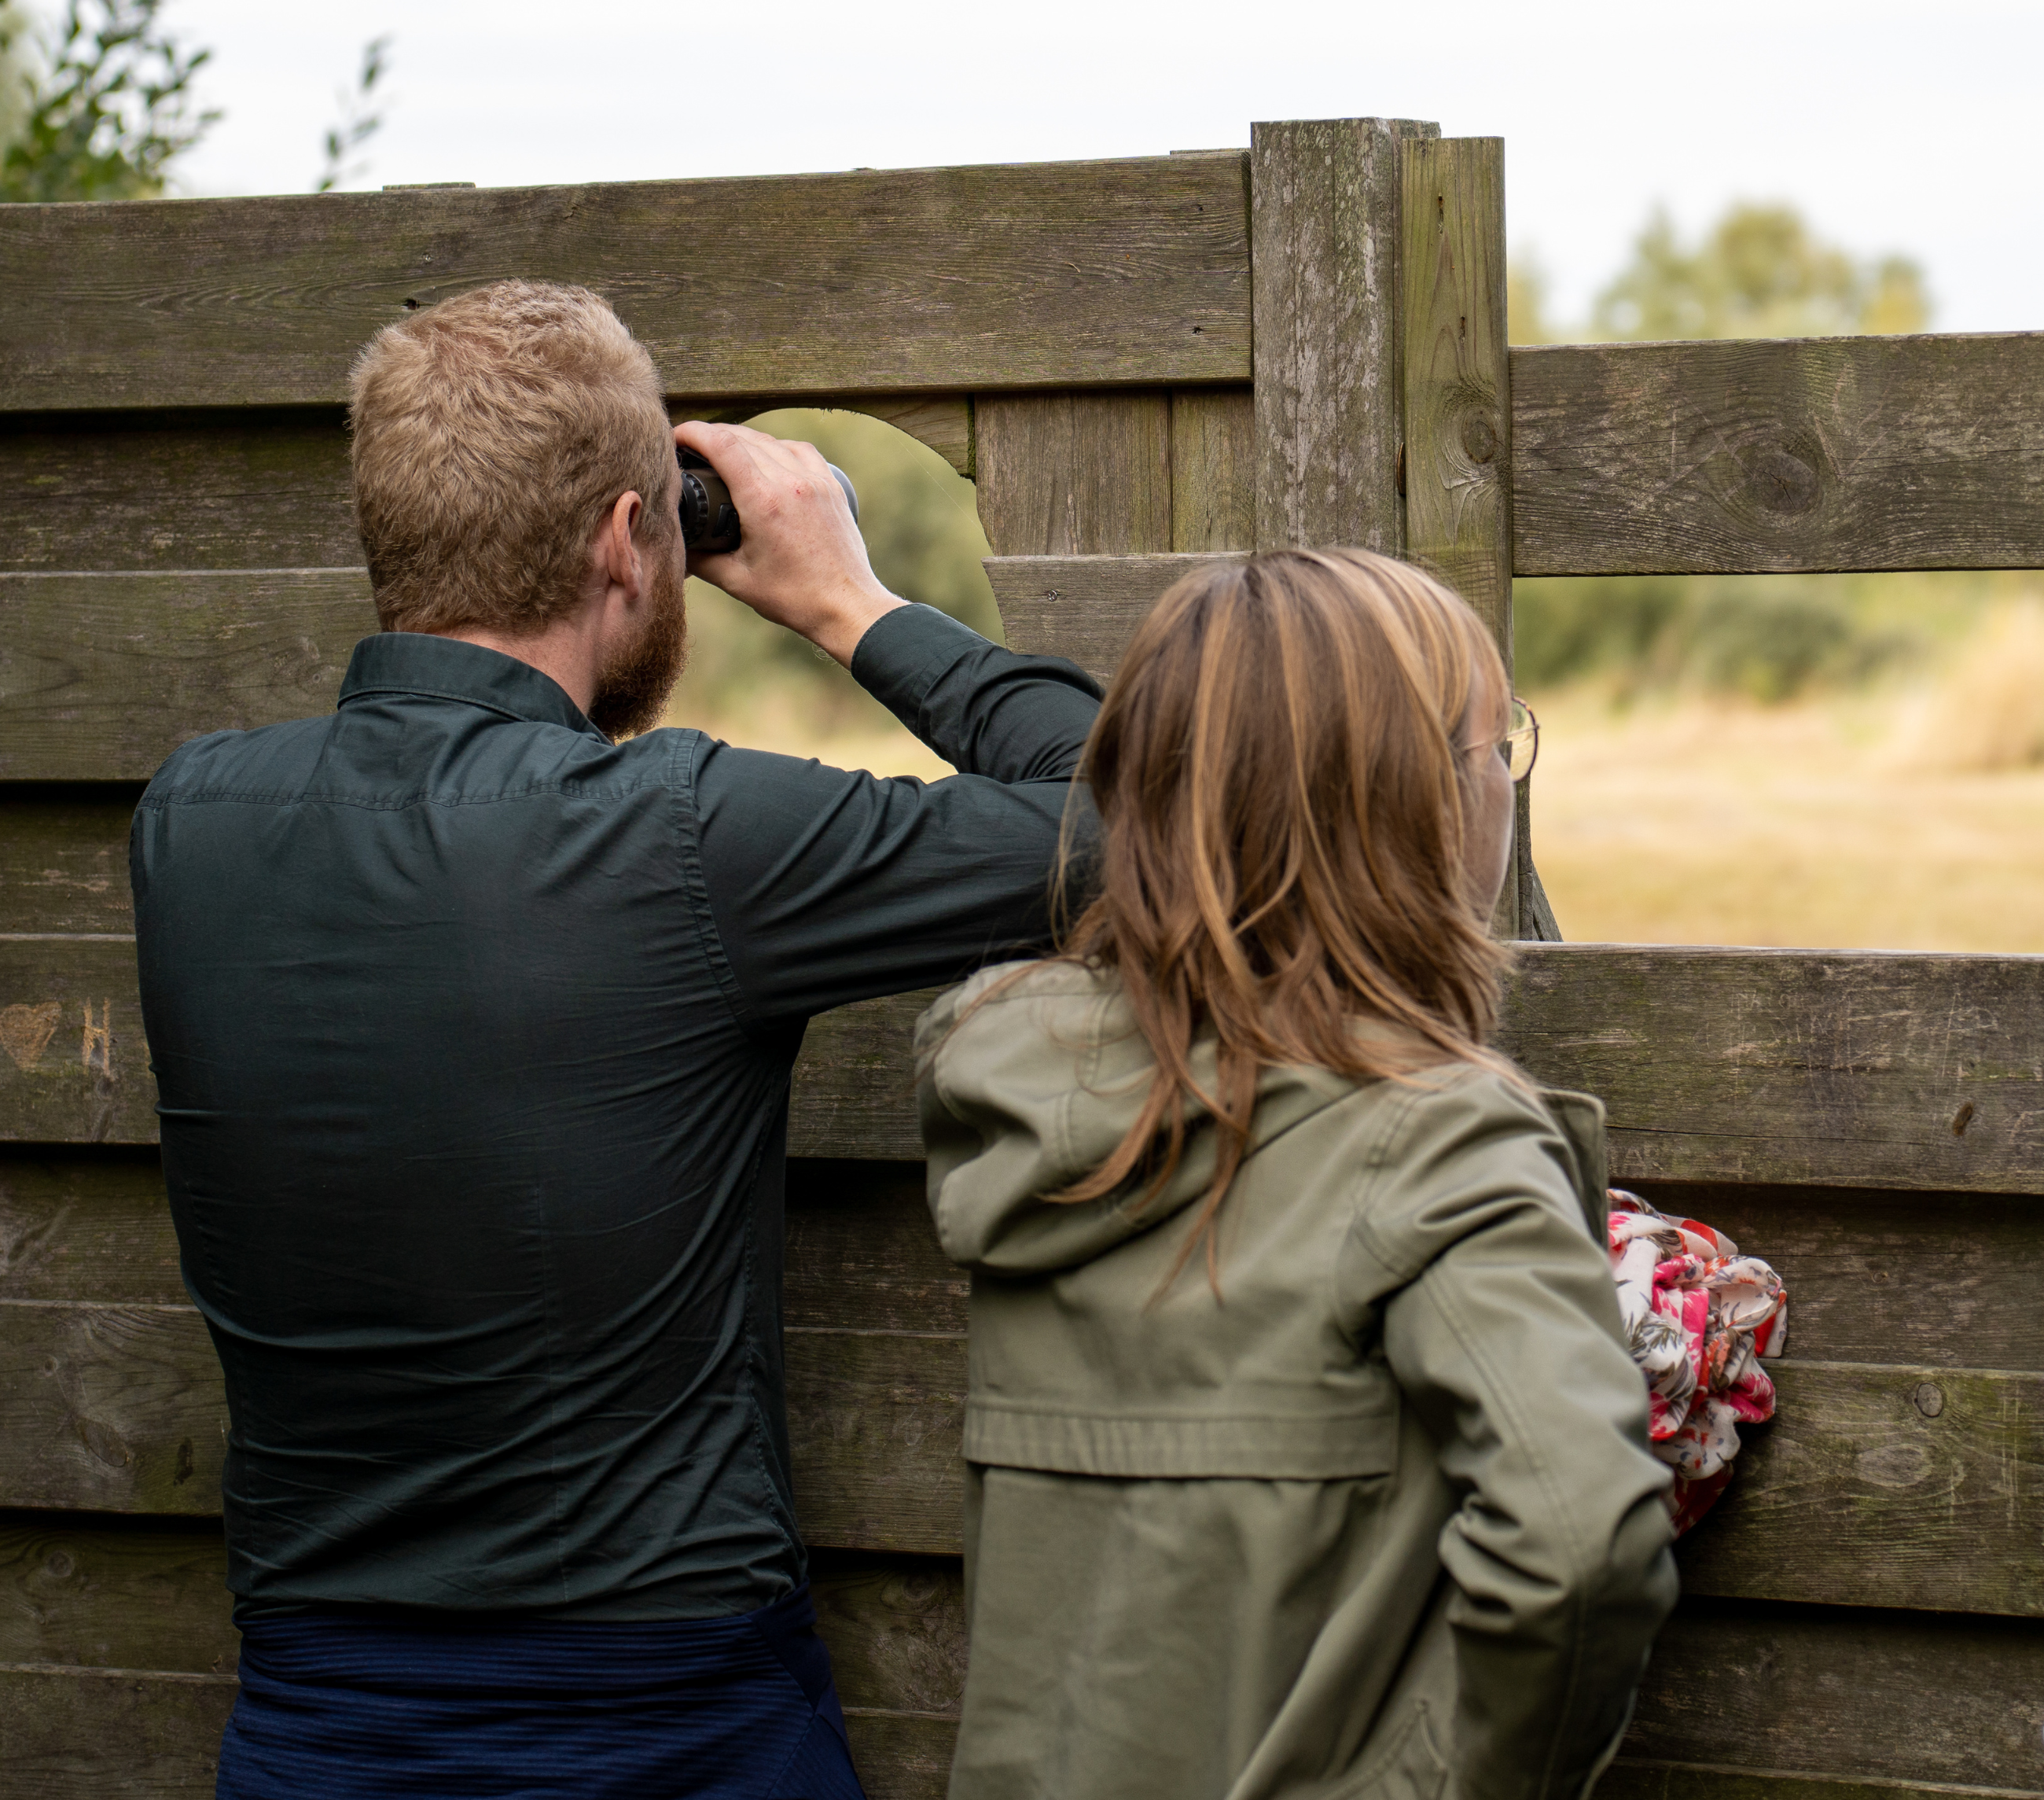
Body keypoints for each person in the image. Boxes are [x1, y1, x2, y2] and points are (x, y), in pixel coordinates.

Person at [131, 280, 1105, 1799]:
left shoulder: (191, 818)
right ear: (624, 541)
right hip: (669, 1727)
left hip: (311, 1726)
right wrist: (851, 599)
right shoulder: (681, 835)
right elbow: (1138, 823)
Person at [914, 548, 1678, 1800]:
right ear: (1419, 799)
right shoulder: (1441, 1141)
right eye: (1502, 747)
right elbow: (1579, 1536)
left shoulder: (1027, 1097)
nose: (1506, 784)